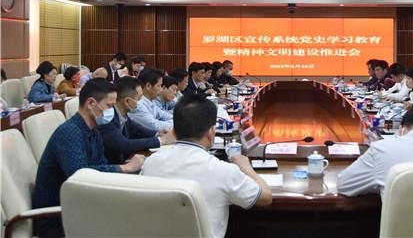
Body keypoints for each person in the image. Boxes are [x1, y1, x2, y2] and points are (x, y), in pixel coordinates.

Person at [141, 94, 272, 238]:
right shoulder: (224, 171)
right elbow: (266, 197)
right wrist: (245, 167)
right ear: (211, 132)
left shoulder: (150, 163)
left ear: (174, 132)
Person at [32, 78, 145, 238]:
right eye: (109, 106)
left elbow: (100, 168)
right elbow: (79, 176)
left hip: (81, 205)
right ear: (91, 103)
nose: (112, 112)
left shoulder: (93, 131)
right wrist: (124, 168)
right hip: (58, 219)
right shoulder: (69, 132)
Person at [98, 76, 175, 164]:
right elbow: (123, 144)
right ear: (127, 101)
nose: (141, 102)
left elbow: (136, 129)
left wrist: (157, 134)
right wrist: (160, 141)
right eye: (139, 98)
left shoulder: (123, 114)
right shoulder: (107, 118)